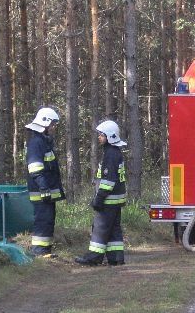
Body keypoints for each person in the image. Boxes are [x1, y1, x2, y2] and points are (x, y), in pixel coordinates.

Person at [75, 120, 127, 266]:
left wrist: (99, 198)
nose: (99, 137)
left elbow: (108, 181)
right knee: (114, 230)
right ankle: (116, 258)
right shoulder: (115, 152)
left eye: (101, 135)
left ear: (109, 136)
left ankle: (93, 258)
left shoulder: (110, 154)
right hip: (116, 201)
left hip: (108, 201)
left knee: (100, 229)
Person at [25, 107, 64, 256]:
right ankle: (39, 252)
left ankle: (45, 251)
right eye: (52, 124)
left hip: (46, 191)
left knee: (48, 220)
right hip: (41, 192)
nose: (54, 128)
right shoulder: (36, 143)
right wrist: (44, 188)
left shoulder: (44, 142)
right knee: (43, 221)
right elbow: (35, 168)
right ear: (44, 124)